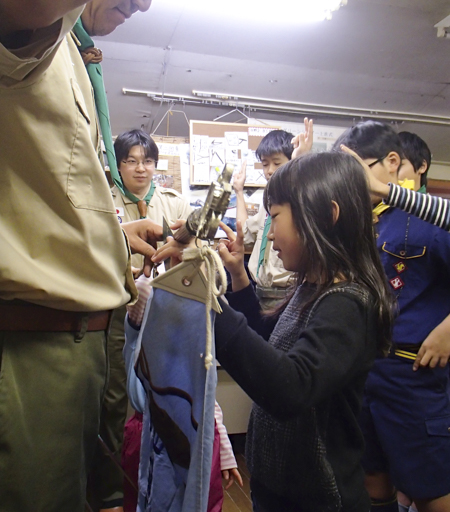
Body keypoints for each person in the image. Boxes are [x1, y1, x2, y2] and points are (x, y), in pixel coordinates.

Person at [0, 0, 196, 510]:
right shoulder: (35, 27)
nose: (146, 0)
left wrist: (110, 232)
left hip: (80, 341)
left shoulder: (76, 60)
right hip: (31, 341)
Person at [154, 151, 392, 512]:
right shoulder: (314, 288)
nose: (270, 230)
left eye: (276, 217)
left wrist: (206, 306)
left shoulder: (348, 303)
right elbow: (270, 342)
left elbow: (290, 386)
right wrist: (237, 278)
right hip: (277, 490)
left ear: (327, 217)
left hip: (317, 499)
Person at [334, 121, 450, 512]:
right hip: (365, 370)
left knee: (429, 488)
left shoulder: (431, 221)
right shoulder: (362, 223)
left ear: (392, 162)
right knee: (371, 478)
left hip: (411, 374)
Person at [90, 129, 192, 511]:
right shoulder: (105, 202)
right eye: (131, 160)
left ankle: (160, 475)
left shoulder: (175, 203)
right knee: (117, 394)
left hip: (167, 310)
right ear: (118, 165)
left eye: (147, 160)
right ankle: (116, 488)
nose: (140, 168)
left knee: (166, 390)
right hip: (118, 307)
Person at [122, 273, 243, 512]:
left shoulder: (195, 349)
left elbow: (208, 403)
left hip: (199, 437)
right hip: (150, 434)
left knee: (202, 502)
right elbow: (142, 295)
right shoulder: (143, 322)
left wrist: (226, 452)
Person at [233, 119, 313, 310]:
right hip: (259, 292)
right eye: (265, 164)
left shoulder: (301, 197)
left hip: (288, 295)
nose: (269, 171)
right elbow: (245, 233)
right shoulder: (268, 202)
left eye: (277, 163)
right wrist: (238, 191)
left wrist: (301, 162)